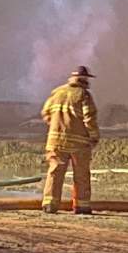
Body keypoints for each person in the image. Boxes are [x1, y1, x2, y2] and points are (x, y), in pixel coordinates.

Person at [40, 65, 100, 215]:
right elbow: (89, 119)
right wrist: (94, 137)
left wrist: (56, 126)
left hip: (56, 141)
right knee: (81, 174)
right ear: (84, 79)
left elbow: (46, 113)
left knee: (55, 171)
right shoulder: (83, 95)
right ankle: (81, 206)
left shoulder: (57, 92)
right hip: (79, 143)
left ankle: (49, 204)